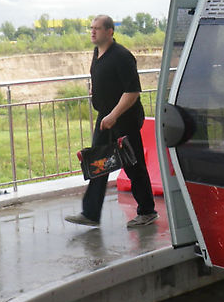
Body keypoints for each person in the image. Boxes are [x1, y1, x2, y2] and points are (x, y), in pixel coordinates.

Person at [66, 15, 159, 228]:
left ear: (109, 31)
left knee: (133, 164)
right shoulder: (97, 53)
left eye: (97, 28)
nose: (92, 32)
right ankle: (90, 213)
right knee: (97, 163)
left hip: (124, 119)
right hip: (105, 118)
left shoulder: (122, 56)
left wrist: (114, 115)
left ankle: (147, 211)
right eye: (91, 28)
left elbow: (132, 92)